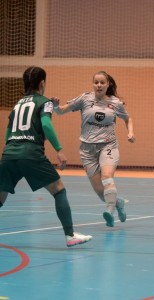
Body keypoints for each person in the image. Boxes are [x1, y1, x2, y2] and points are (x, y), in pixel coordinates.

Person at [0, 66, 92, 247]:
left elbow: (9, 131)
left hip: (9, 154)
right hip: (31, 153)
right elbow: (46, 125)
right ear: (42, 83)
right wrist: (59, 149)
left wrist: (7, 152)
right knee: (59, 190)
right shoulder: (45, 102)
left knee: (0, 198)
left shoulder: (18, 103)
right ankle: (70, 235)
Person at [51, 71, 135, 228]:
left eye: (102, 82)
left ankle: (109, 212)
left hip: (108, 146)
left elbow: (127, 118)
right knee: (99, 191)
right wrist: (55, 106)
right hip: (87, 150)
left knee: (107, 176)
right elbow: (61, 111)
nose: (99, 85)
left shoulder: (115, 103)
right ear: (93, 84)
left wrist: (130, 132)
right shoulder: (84, 98)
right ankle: (118, 203)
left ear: (108, 84)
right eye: (96, 82)